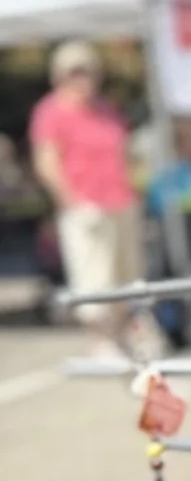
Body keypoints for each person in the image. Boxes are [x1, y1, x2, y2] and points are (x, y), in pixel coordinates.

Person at [29, 41, 141, 313]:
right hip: (84, 205)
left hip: (119, 201)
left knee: (127, 277)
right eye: (74, 72)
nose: (82, 78)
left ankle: (125, 333)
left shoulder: (105, 109)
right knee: (94, 278)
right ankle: (102, 339)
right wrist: (71, 199)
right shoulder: (50, 112)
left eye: (86, 71)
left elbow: (124, 153)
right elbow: (47, 162)